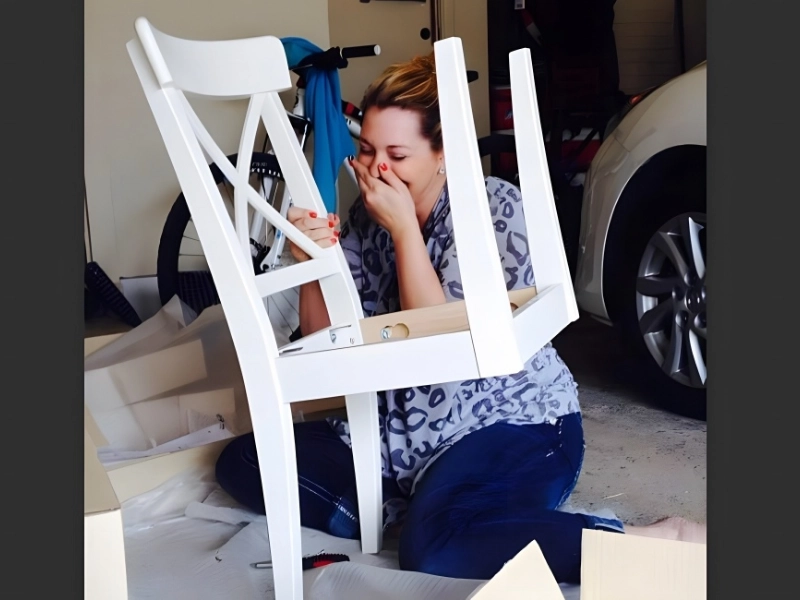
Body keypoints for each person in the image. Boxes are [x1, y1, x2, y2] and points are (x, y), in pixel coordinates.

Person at [215, 53, 705, 583]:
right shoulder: (365, 219)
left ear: (442, 153)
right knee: (245, 461)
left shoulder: (494, 208)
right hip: (399, 439)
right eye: (367, 150)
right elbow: (325, 342)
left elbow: (445, 348)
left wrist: (405, 232)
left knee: (434, 552)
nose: (376, 170)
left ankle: (649, 542)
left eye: (397, 155)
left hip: (512, 426)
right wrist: (313, 263)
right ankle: (433, 513)